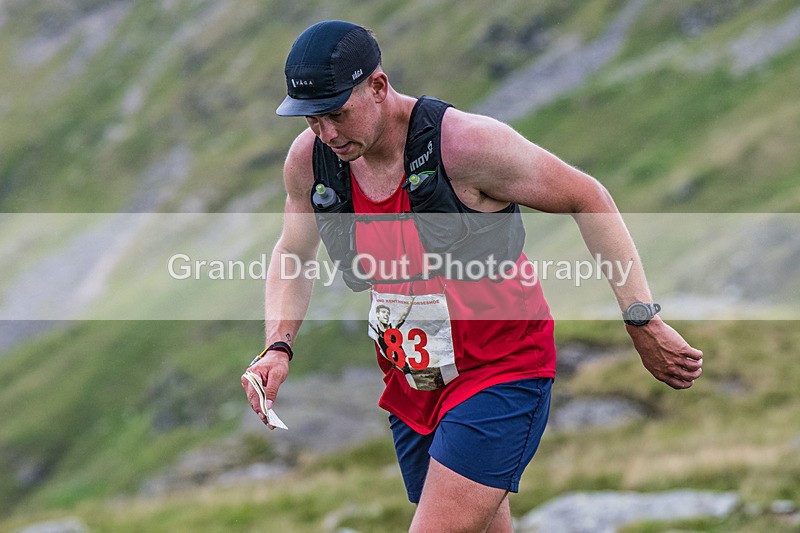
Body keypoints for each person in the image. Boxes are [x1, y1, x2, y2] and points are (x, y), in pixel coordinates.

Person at [242, 20, 703, 533]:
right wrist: (277, 347)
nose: (326, 133)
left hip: (501, 370)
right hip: (414, 380)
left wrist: (641, 319)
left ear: (376, 87)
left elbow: (588, 198)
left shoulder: (465, 146)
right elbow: (293, 253)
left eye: (336, 113)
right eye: (311, 120)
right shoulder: (311, 162)